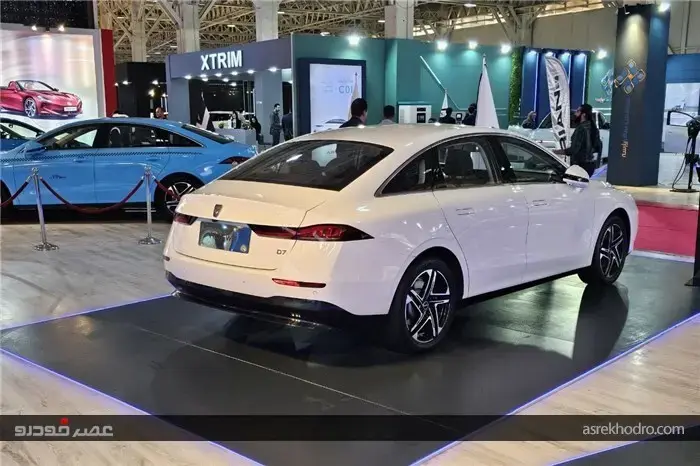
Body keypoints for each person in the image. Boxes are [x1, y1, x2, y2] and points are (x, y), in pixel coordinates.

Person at [554, 104, 601, 176]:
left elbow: (573, 150)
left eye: (578, 111)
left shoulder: (581, 129)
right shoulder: (594, 128)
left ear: (583, 114)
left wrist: (555, 152)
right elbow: (597, 148)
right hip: (590, 165)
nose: (575, 114)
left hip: (580, 166)